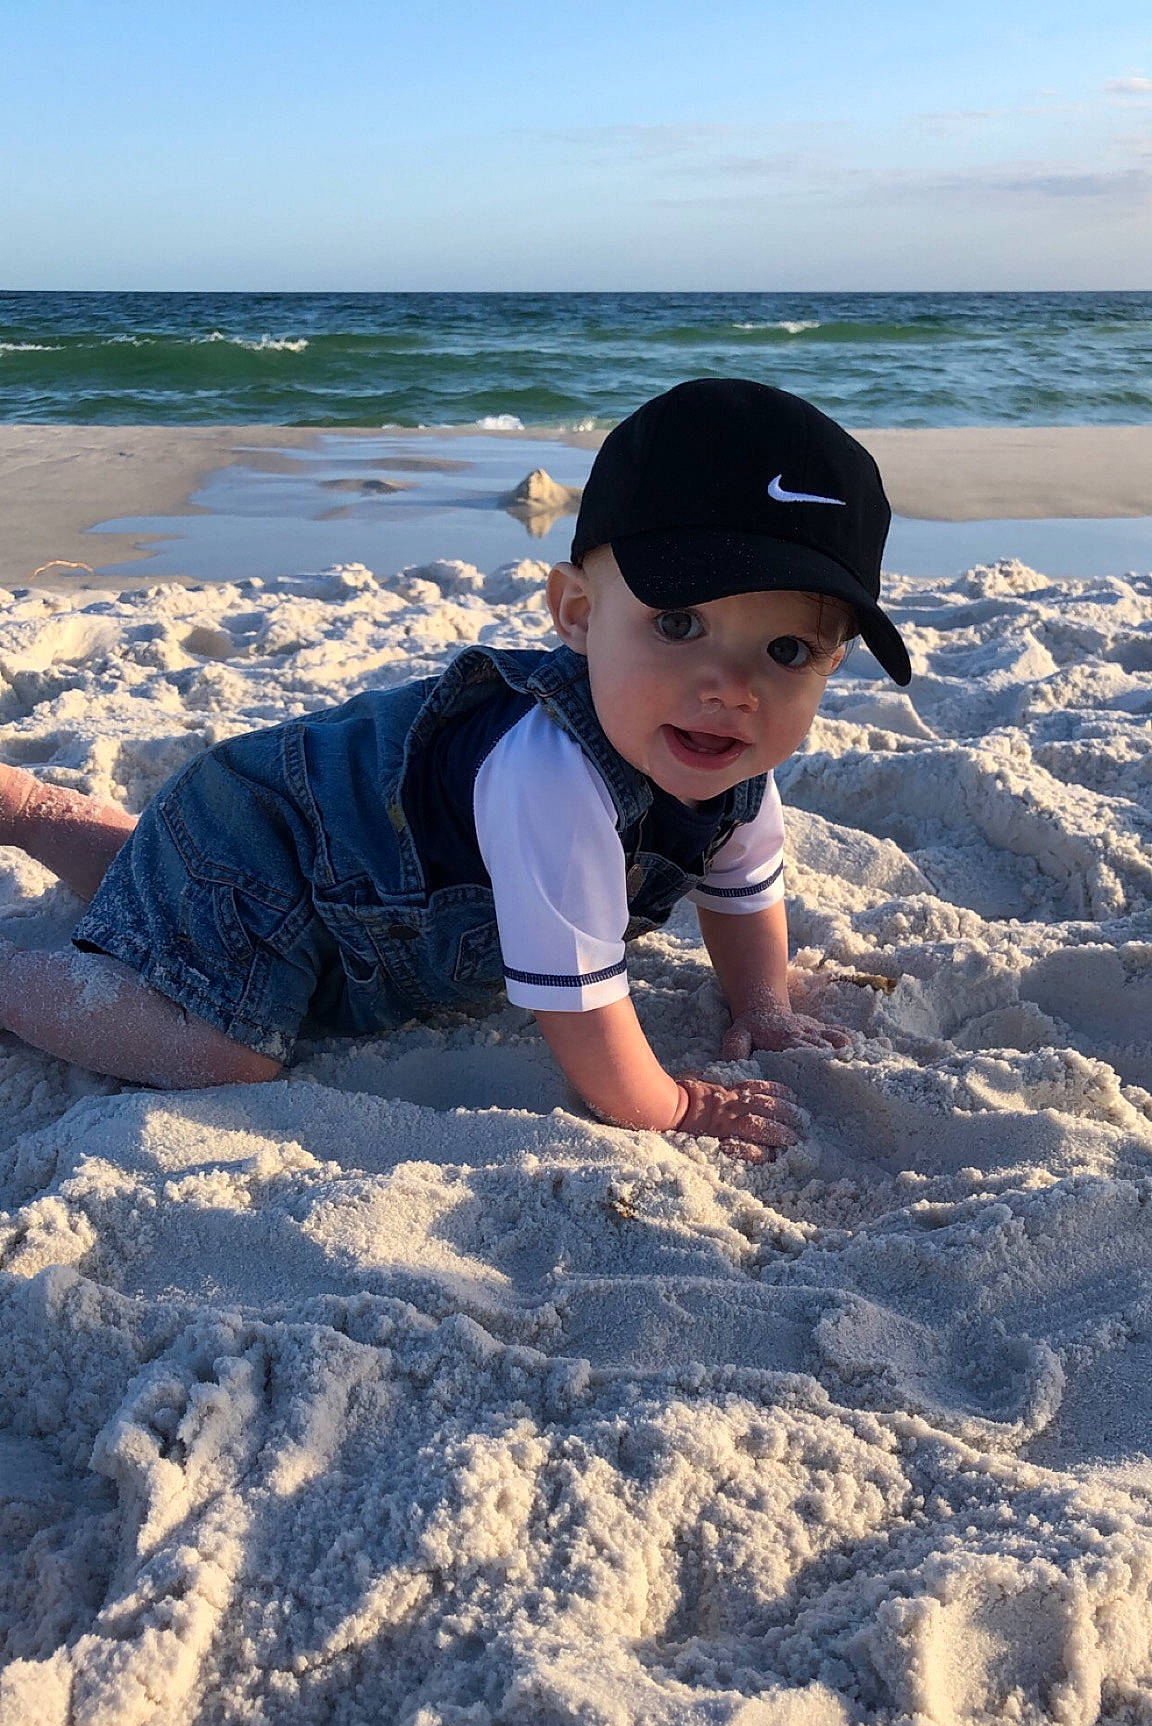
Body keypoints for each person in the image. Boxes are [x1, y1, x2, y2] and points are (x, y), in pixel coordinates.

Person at [0, 379, 911, 1161]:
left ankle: (29, 809)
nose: (730, 689)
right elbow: (581, 1009)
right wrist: (672, 1106)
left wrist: (762, 1001)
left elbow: (742, 887)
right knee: (224, 1050)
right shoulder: (553, 779)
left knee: (166, 885)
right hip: (263, 839)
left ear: (833, 662)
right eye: (679, 624)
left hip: (288, 873)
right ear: (578, 613)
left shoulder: (731, 764)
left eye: (787, 650)